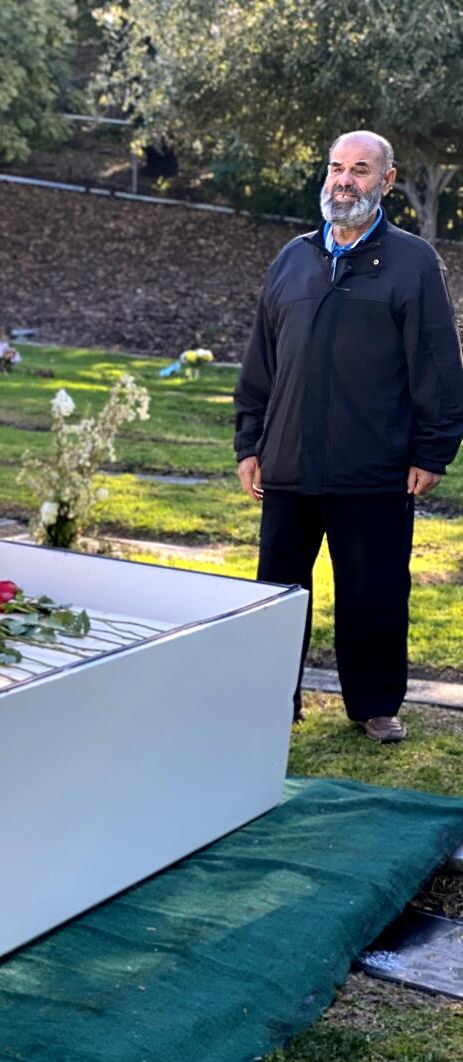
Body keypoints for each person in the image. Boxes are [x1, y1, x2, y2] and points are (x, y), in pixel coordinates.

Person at [234, 130, 463, 743]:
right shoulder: (294, 257)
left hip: (375, 467)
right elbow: (262, 359)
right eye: (337, 166)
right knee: (279, 596)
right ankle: (271, 699)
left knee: (375, 593)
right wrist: (249, 442)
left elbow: (438, 364)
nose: (344, 180)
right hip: (288, 465)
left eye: (360, 170)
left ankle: (375, 705)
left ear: (385, 182)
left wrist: (433, 450)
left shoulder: (414, 263)